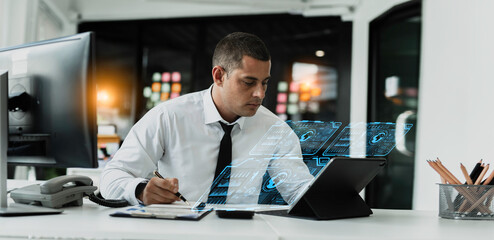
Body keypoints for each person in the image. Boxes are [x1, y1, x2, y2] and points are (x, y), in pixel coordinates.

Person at [100, 32, 313, 206]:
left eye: (264, 82)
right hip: (177, 231)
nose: (260, 93)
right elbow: (112, 176)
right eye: (249, 82)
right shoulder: (169, 116)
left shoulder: (275, 129)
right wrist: (140, 190)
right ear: (219, 76)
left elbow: (299, 189)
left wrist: (335, 196)